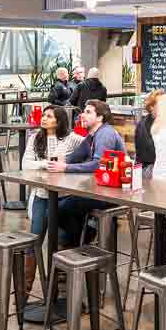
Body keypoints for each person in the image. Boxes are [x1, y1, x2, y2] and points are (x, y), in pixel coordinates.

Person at [22, 105, 84, 288]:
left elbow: (90, 147)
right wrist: (44, 164)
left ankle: (59, 289)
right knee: (34, 239)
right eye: (44, 115)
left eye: (49, 116)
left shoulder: (71, 139)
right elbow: (26, 164)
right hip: (42, 194)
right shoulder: (35, 138)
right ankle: (26, 288)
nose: (44, 118)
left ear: (59, 120)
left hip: (64, 197)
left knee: (61, 242)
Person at [48, 100, 126, 243]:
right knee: (58, 205)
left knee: (59, 208)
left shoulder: (105, 133)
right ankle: (79, 240)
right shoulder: (91, 136)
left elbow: (98, 164)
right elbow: (76, 156)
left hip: (112, 194)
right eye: (83, 111)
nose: (82, 115)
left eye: (88, 112)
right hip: (98, 189)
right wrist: (61, 161)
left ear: (100, 117)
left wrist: (65, 168)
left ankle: (80, 241)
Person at [134, 90, 163, 181]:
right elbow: (153, 154)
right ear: (151, 107)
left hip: (150, 166)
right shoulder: (145, 125)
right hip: (148, 168)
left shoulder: (158, 122)